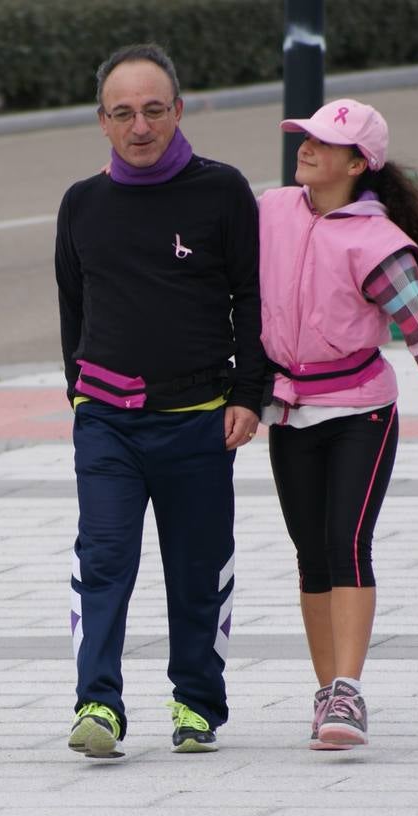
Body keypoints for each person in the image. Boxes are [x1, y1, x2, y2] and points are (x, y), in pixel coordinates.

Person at [258, 98, 418, 750]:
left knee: (346, 543)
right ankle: (326, 694)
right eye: (304, 137)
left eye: (322, 142)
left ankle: (350, 690)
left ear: (358, 162)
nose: (305, 148)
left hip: (360, 409)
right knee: (310, 555)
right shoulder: (272, 211)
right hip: (290, 411)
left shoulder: (378, 243)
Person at [55, 43, 267, 759]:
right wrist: (79, 396)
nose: (139, 127)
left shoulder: (222, 192)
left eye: (153, 110)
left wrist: (251, 393)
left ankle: (196, 704)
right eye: (123, 114)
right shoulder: (82, 204)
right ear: (102, 122)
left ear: (178, 110)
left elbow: (251, 296)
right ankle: (98, 705)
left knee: (198, 567)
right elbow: (73, 308)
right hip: (108, 423)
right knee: (105, 558)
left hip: (199, 421)